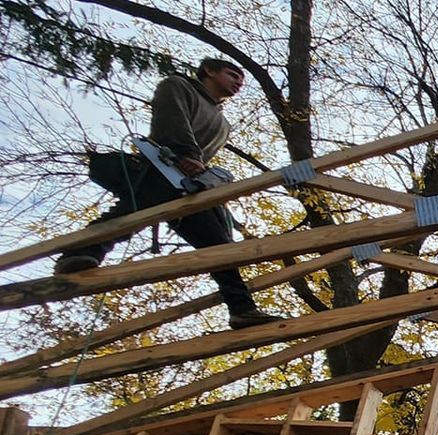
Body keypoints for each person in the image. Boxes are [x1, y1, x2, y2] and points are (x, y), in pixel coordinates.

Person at [53, 57, 278, 329]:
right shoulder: (178, 86)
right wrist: (187, 154)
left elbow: (204, 155)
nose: (238, 84)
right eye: (232, 75)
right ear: (209, 70)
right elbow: (172, 121)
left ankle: (242, 309)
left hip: (191, 185)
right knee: (129, 215)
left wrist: (203, 175)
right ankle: (77, 255)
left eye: (241, 81)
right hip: (163, 169)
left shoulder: (222, 122)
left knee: (219, 246)